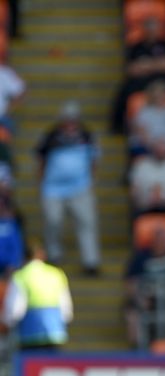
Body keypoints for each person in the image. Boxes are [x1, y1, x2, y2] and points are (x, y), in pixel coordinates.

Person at [37, 101, 101, 275]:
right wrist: (43, 182)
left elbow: (94, 158)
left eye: (73, 119)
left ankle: (91, 261)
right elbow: (41, 159)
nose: (71, 123)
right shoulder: (51, 136)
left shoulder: (86, 135)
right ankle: (54, 256)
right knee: (53, 222)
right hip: (53, 189)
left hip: (80, 187)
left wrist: (89, 180)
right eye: (67, 119)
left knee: (87, 222)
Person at [3, 242, 73, 350]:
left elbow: (15, 309)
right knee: (50, 364)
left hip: (29, 332)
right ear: (43, 255)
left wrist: (8, 323)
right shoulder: (57, 273)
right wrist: (64, 321)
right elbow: (65, 304)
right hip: (54, 331)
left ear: (25, 257)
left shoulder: (21, 275)